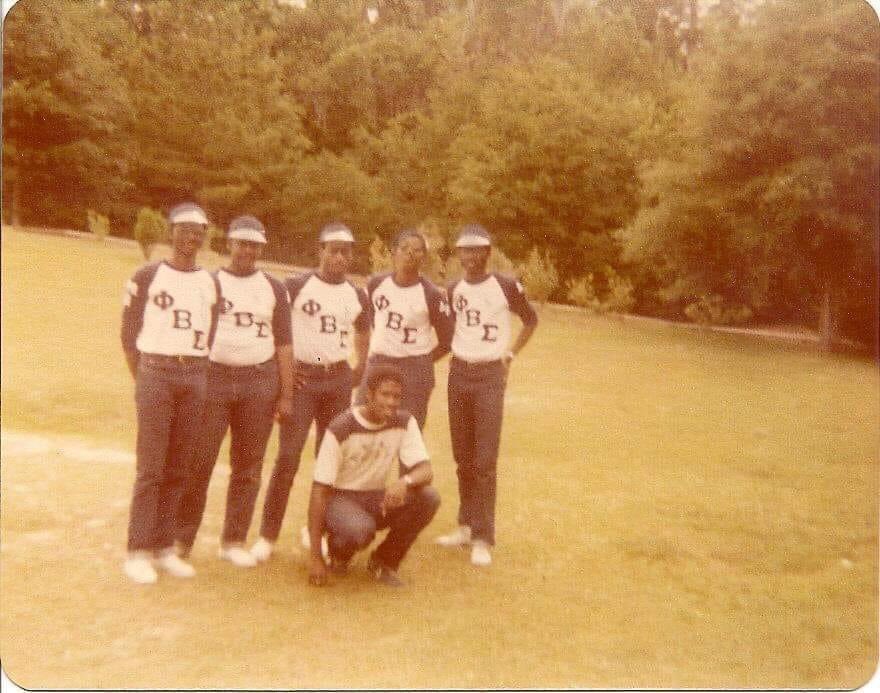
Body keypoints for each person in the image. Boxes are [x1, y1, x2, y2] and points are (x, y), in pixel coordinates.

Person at [174, 216, 294, 568]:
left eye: (254, 244)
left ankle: (234, 540)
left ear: (261, 248)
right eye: (241, 243)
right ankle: (181, 538)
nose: (247, 251)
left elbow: (285, 343)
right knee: (200, 461)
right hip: (214, 379)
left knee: (248, 465)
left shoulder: (274, 287)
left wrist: (286, 394)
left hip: (259, 380)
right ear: (229, 244)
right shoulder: (210, 282)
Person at [250, 222, 370, 562]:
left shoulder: (357, 293)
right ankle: (267, 536)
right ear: (320, 251)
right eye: (333, 250)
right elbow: (275, 327)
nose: (340, 257)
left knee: (329, 461)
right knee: (287, 458)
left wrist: (358, 367)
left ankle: (316, 528)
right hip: (304, 382)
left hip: (337, 381)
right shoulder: (297, 285)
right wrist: (283, 369)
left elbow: (363, 328)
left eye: (346, 251)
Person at [120, 202, 222, 584]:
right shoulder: (147, 276)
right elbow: (129, 337)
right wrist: (146, 376)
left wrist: (193, 368)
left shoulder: (210, 282)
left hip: (193, 373)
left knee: (181, 464)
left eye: (198, 230)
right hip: (156, 371)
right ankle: (137, 550)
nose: (191, 236)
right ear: (171, 232)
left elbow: (209, 332)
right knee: (151, 467)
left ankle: (165, 546)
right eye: (184, 229)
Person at [435, 224, 538, 567]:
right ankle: (465, 525)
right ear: (459, 254)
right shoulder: (452, 289)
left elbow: (530, 319)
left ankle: (483, 536)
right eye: (465, 250)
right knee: (462, 456)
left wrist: (510, 354)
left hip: (490, 375)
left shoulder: (505, 285)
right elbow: (447, 334)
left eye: (477, 250)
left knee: (484, 459)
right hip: (459, 373)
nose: (470, 257)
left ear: (487, 252)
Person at [306, 365, 440, 588]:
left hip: (376, 497)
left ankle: (383, 561)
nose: (391, 402)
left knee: (428, 497)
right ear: (369, 394)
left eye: (396, 396)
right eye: (385, 394)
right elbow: (319, 490)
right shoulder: (342, 427)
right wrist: (314, 557)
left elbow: (426, 470)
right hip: (340, 499)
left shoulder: (404, 422)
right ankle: (337, 553)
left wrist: (404, 482)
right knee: (360, 529)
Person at [356, 229, 452, 430]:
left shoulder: (431, 294)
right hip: (379, 361)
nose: (410, 254)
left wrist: (422, 359)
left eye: (417, 250)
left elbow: (447, 340)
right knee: (361, 423)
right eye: (405, 248)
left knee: (408, 429)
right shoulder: (376, 284)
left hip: (414, 368)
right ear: (393, 252)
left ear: (424, 258)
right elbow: (374, 319)